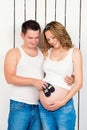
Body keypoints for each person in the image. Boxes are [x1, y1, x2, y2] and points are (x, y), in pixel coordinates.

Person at [4, 20, 74, 130]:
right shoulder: (14, 53)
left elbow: (55, 70)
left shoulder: (44, 52)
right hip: (20, 105)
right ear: (22, 35)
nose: (34, 41)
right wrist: (33, 81)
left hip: (39, 107)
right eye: (30, 38)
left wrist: (72, 77)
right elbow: (9, 78)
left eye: (36, 38)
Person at [39, 21, 83, 130]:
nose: (51, 41)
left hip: (64, 108)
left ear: (60, 33)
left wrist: (62, 102)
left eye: (53, 37)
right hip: (44, 110)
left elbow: (79, 83)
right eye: (48, 39)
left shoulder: (74, 52)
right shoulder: (47, 52)